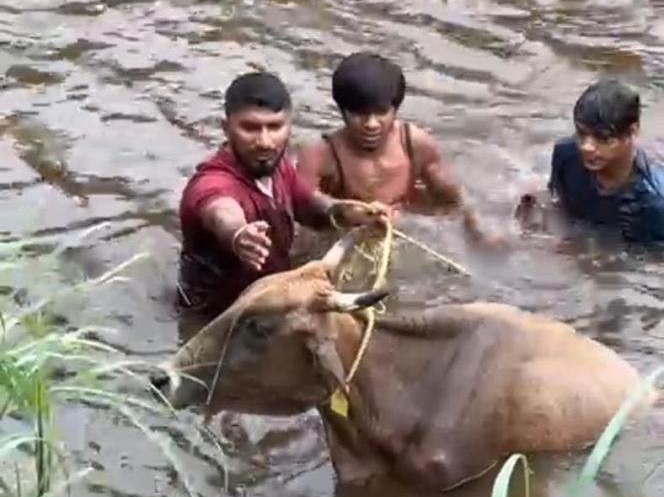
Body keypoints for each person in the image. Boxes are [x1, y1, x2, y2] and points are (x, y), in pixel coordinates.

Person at [177, 70, 392, 320]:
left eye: (275, 127)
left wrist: (348, 212)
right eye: (250, 128)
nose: (265, 142)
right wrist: (238, 236)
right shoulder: (211, 184)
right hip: (220, 321)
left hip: (274, 302)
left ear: (288, 126)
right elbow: (219, 212)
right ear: (226, 128)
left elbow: (309, 205)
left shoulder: (276, 165)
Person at [295, 51, 499, 246]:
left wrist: (477, 232)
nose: (371, 124)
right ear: (343, 111)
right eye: (360, 114)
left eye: (381, 112)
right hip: (342, 235)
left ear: (395, 109)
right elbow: (300, 209)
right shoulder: (319, 156)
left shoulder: (416, 145)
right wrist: (346, 213)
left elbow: (453, 202)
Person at [516, 77, 664, 245]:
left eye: (603, 137)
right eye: (581, 133)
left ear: (632, 131)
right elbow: (555, 203)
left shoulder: (654, 203)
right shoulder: (566, 154)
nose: (586, 147)